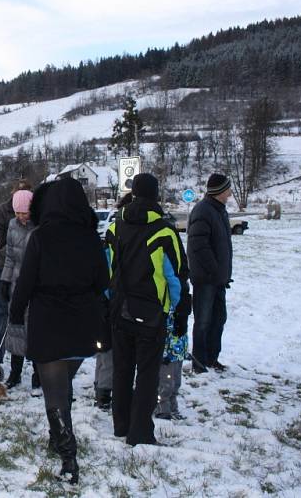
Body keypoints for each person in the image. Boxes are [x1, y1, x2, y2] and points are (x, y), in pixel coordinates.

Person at [9, 178, 108, 484]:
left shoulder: (41, 237)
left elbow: (25, 281)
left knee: (55, 392)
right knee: (63, 386)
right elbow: (103, 282)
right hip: (83, 324)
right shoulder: (92, 238)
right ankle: (57, 438)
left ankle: (69, 457)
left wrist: (14, 313)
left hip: (49, 322)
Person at [106, 173, 190, 446]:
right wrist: (179, 311)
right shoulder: (165, 232)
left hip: (120, 309)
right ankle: (140, 432)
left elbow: (107, 268)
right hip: (151, 312)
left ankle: (120, 424)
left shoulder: (116, 226)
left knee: (122, 369)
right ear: (155, 196)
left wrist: (110, 299)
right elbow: (176, 277)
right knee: (147, 373)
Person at [188, 173, 233, 373]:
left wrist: (222, 274)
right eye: (228, 189)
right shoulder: (203, 211)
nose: (230, 193)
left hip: (218, 280)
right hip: (206, 279)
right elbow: (198, 245)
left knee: (219, 319)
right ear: (220, 191)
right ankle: (199, 362)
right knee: (203, 321)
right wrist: (214, 270)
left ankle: (212, 358)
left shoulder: (219, 211)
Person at [94, 193, 132, 410]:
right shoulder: (115, 233)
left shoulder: (113, 231)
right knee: (109, 349)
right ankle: (104, 391)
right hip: (113, 301)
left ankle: (102, 388)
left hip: (111, 300)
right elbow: (108, 269)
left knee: (106, 349)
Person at [0, 179, 33, 363]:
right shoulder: (2, 210)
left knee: (27, 312)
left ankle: (27, 350)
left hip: (28, 269)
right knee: (1, 310)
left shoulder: (36, 214)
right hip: (4, 264)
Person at [0, 189, 36, 389]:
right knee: (16, 328)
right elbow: (11, 256)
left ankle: (39, 374)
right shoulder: (12, 225)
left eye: (25, 212)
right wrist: (5, 280)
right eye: (18, 213)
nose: (21, 217)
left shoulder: (40, 226)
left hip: (36, 286)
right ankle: (15, 373)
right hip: (16, 283)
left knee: (37, 330)